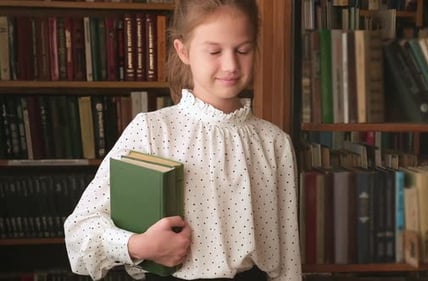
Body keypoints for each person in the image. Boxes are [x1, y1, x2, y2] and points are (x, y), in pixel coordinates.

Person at [63, 0, 302, 280]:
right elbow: (80, 230)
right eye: (214, 51)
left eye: (243, 50)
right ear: (183, 51)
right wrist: (139, 245)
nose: (231, 64)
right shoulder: (152, 131)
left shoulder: (275, 143)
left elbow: (288, 258)